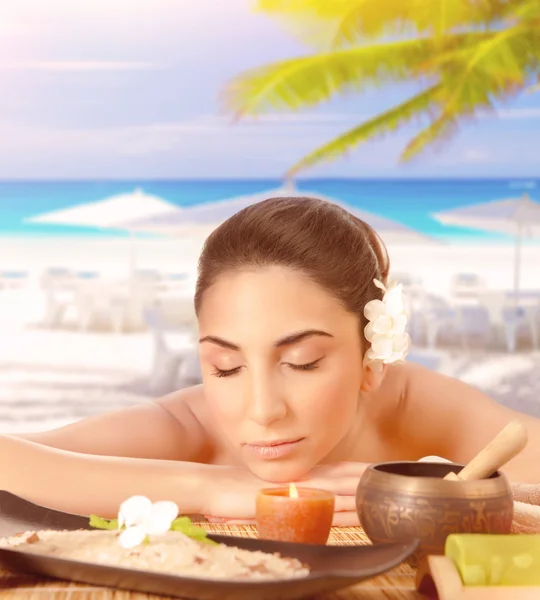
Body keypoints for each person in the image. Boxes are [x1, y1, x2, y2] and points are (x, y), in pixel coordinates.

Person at [1, 196, 539, 526]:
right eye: (225, 368)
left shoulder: (418, 407)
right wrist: (215, 488)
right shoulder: (190, 427)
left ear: (372, 356)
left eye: (302, 361)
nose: (261, 410)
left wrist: (454, 491)